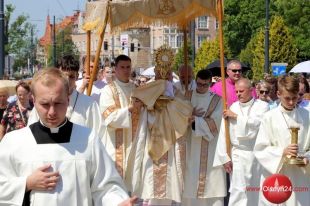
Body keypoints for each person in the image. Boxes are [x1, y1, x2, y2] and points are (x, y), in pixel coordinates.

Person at [0, 68, 136, 206]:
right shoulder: (14, 143)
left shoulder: (88, 139)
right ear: (33, 101)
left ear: (68, 99)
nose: (52, 112)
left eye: (58, 103)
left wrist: (118, 202)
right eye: (45, 104)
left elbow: (106, 186)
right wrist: (27, 184)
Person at [254, 75, 310, 206]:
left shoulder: (307, 116)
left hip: (301, 174)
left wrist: (307, 157)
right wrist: (282, 152)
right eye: (287, 98)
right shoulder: (269, 117)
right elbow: (260, 148)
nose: (291, 102)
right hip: (277, 173)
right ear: (278, 94)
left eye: (295, 97)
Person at [214, 78, 269, 206]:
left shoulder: (262, 106)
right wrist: (225, 157)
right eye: (236, 91)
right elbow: (224, 133)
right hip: (238, 155)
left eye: (241, 91)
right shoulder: (233, 107)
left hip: (257, 156)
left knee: (256, 190)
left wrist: (237, 117)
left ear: (251, 90)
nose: (238, 94)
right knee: (238, 190)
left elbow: (258, 123)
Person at [28, 55, 103, 136]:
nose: (67, 81)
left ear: (77, 76)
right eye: (63, 76)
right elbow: (31, 134)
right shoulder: (43, 103)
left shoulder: (89, 105)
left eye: (71, 76)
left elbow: (99, 135)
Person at [183, 70, 226, 206]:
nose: (201, 87)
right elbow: (177, 115)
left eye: (205, 85)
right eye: (199, 84)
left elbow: (217, 123)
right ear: (195, 80)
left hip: (210, 148)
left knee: (212, 186)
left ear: (210, 83)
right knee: (190, 185)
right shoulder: (187, 96)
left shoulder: (217, 100)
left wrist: (195, 120)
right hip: (190, 146)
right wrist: (186, 115)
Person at [99, 55, 143, 185]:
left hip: (134, 142)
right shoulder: (108, 90)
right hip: (116, 144)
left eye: (128, 67)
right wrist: (130, 109)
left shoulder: (137, 89)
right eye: (122, 67)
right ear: (115, 69)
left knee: (134, 185)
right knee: (116, 186)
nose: (126, 70)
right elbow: (109, 118)